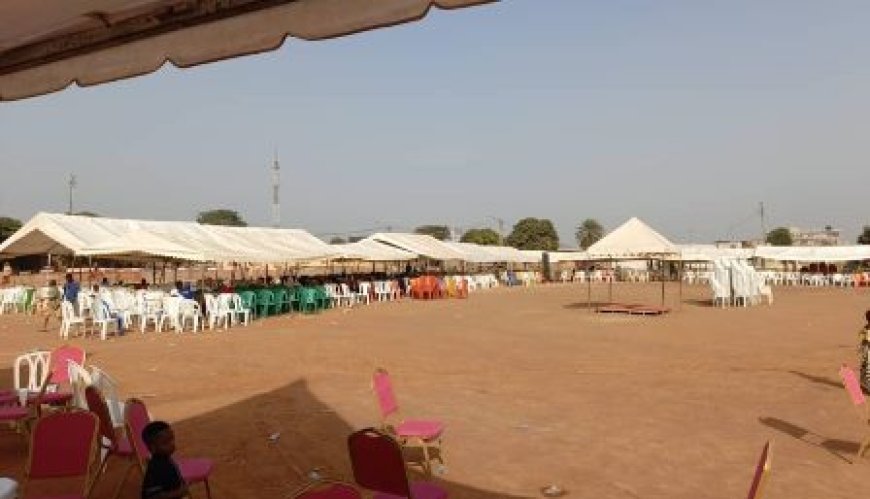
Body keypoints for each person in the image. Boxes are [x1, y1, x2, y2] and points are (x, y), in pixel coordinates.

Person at [141, 421, 188, 499]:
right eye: (165, 443)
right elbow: (154, 496)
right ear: (153, 448)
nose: (172, 444)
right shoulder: (157, 468)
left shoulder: (165, 459)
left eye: (172, 438)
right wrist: (179, 492)